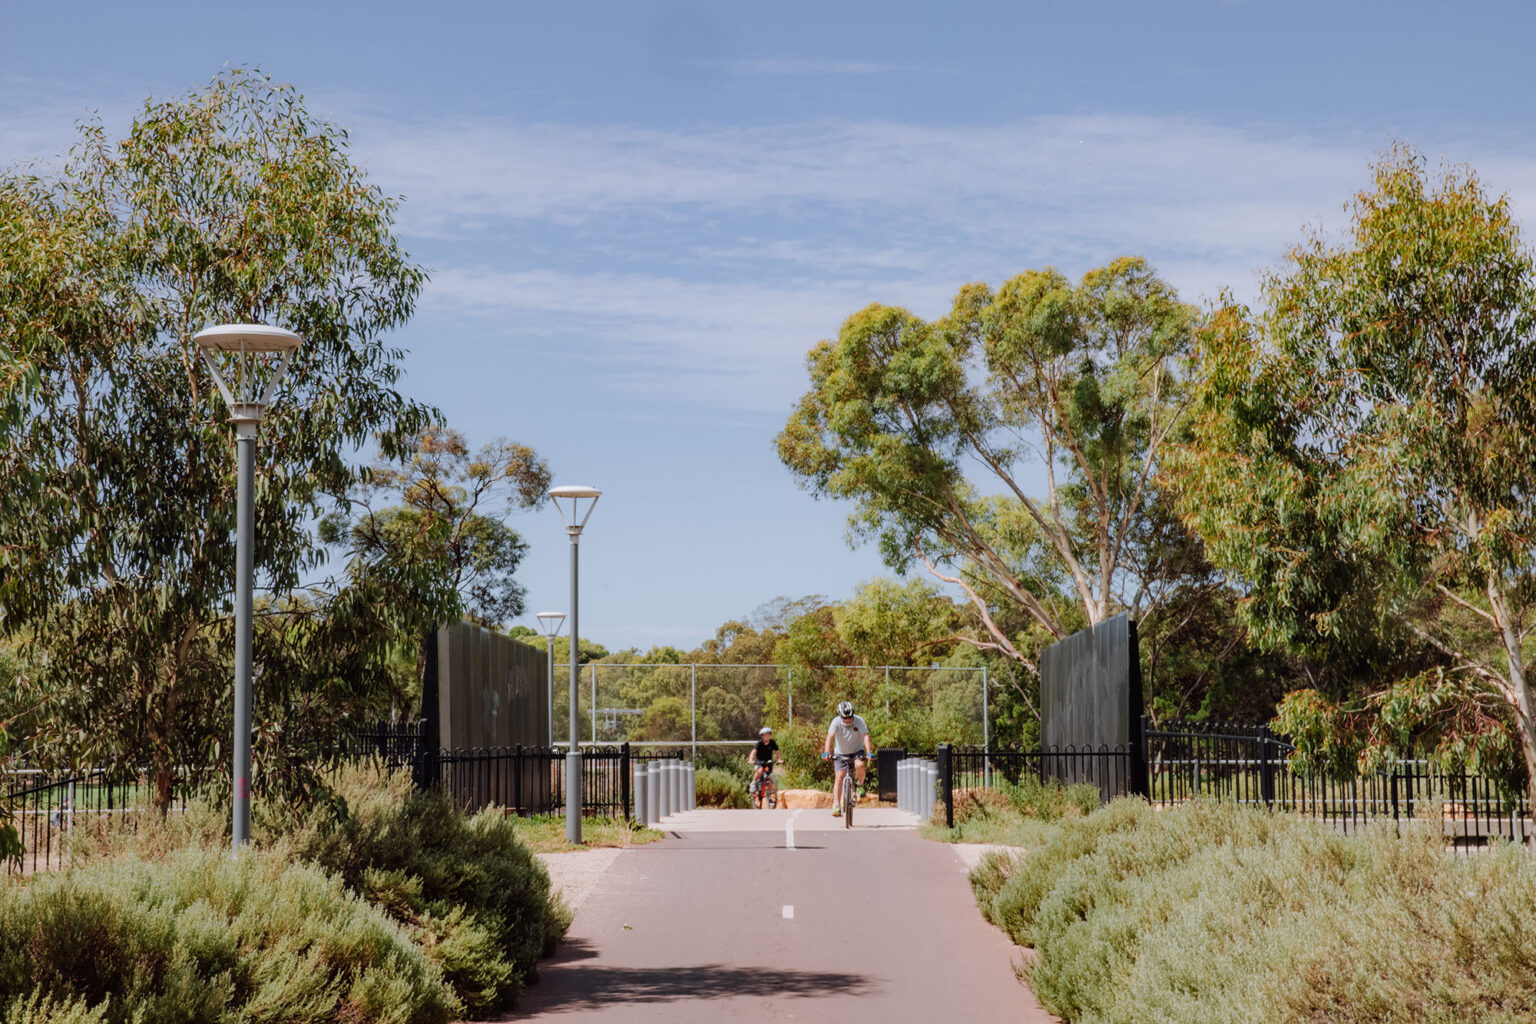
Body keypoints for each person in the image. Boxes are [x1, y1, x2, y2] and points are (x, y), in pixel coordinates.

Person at [822, 700, 873, 816]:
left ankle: (860, 785)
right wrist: (826, 752)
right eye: (845, 718)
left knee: (860, 765)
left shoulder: (859, 721)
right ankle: (836, 805)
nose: (848, 720)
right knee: (839, 777)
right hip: (841, 753)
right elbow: (829, 737)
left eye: (850, 717)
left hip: (856, 751)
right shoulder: (835, 722)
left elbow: (865, 736)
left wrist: (869, 752)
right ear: (840, 716)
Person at [747, 726, 780, 806]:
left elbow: (777, 751)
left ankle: (770, 798)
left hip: (768, 762)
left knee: (770, 779)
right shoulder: (759, 743)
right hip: (759, 762)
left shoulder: (772, 743)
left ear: (770, 735)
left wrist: (779, 759)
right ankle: (754, 783)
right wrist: (751, 760)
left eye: (768, 735)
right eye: (765, 735)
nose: (767, 736)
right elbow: (753, 752)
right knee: (760, 770)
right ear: (762, 736)